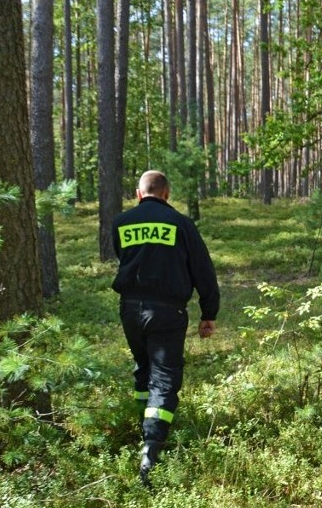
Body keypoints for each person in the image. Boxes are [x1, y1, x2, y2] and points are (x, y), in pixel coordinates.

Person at [111, 170, 220, 485]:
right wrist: (208, 312)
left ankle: (142, 426)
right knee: (164, 379)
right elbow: (203, 269)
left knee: (142, 368)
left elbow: (122, 255)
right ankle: (151, 451)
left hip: (130, 310)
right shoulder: (182, 224)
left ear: (139, 194)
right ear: (167, 194)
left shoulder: (121, 222)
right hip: (168, 312)